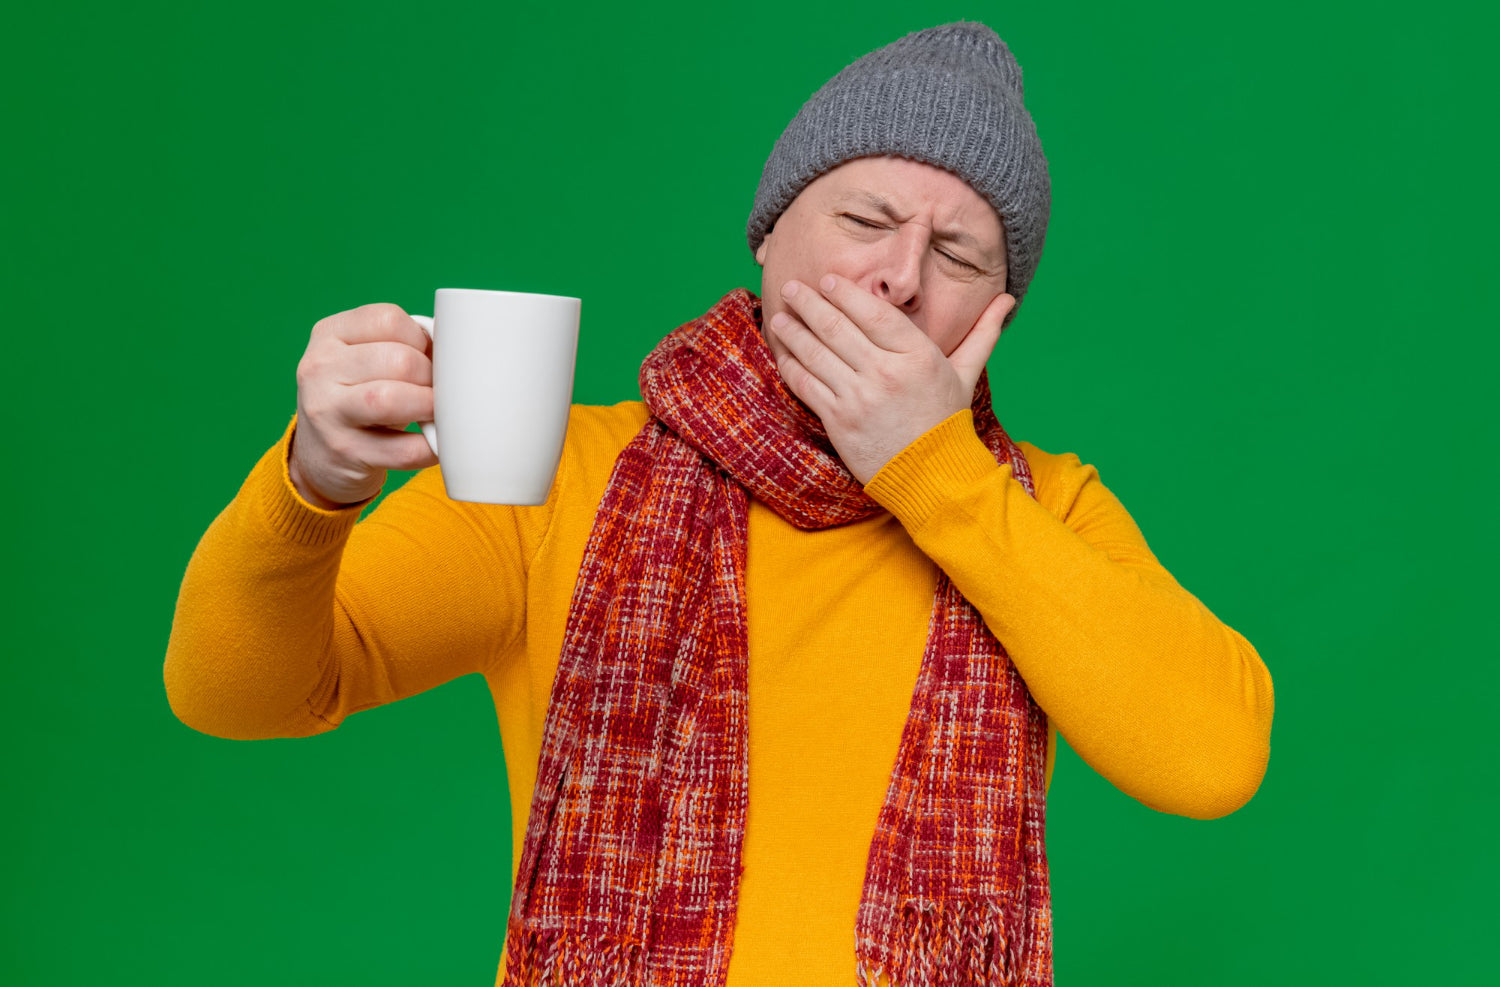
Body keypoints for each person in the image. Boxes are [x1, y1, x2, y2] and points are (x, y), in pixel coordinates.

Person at [165, 21, 1273, 987]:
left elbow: (1211, 763)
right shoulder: (566, 478)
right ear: (769, 233)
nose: (898, 277)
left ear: (997, 315)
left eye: (957, 252)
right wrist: (313, 486)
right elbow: (237, 692)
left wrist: (935, 476)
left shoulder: (1039, 510)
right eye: (865, 217)